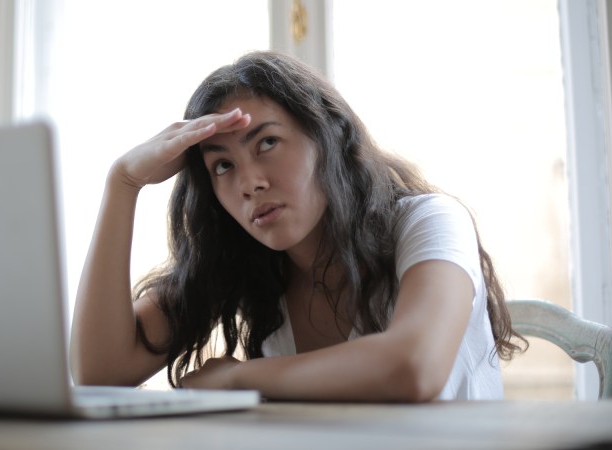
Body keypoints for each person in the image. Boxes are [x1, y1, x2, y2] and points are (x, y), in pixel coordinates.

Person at [70, 50, 526, 402]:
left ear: (328, 137)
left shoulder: (429, 222)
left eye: (267, 142)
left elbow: (415, 367)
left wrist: (238, 377)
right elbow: (100, 372)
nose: (250, 182)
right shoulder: (245, 260)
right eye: (223, 166)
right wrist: (123, 183)